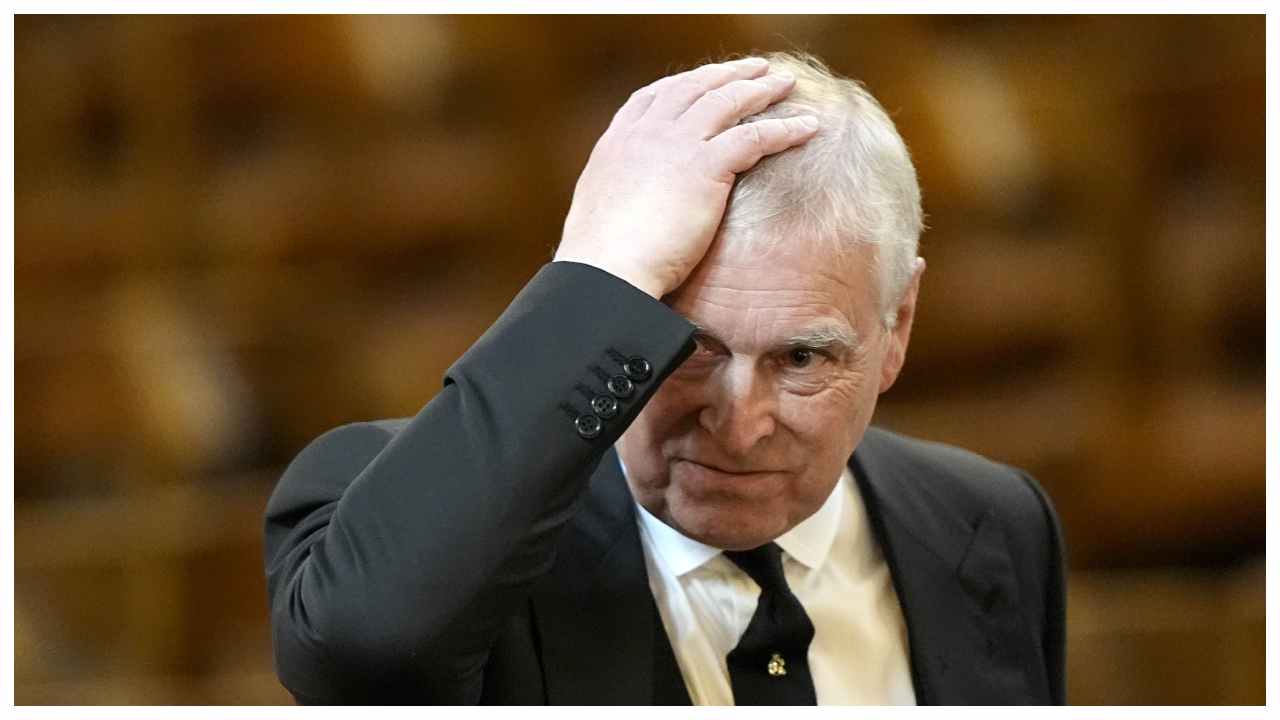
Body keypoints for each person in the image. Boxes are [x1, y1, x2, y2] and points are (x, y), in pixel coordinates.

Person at [264, 51, 1065, 705]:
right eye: (691, 349)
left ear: (899, 326)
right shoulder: (420, 527)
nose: (739, 427)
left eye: (800, 359)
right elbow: (360, 656)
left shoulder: (991, 523)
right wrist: (597, 269)